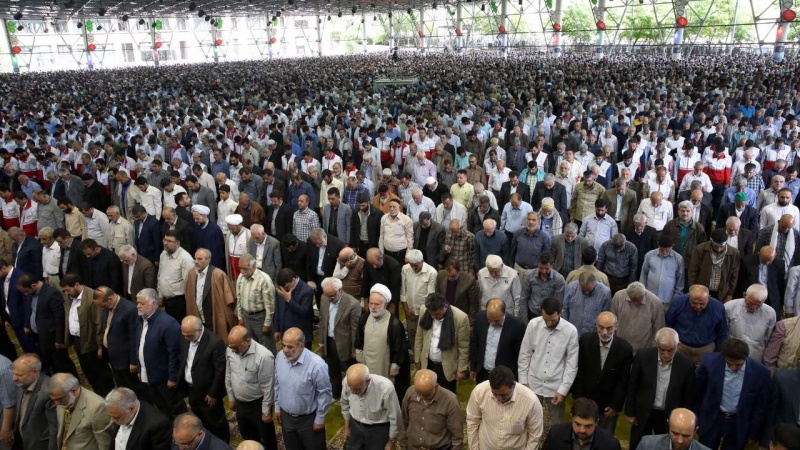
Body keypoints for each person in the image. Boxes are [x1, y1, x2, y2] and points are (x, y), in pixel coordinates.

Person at [624, 328, 696, 450]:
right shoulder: (643, 356)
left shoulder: (686, 365)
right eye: (662, 350)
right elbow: (632, 385)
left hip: (669, 415)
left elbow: (688, 396)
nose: (666, 354)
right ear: (656, 344)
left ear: (678, 345)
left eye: (670, 350)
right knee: (637, 444)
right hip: (643, 411)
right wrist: (630, 412)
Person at [695, 338, 770, 450]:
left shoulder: (761, 373)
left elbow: (760, 408)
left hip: (738, 424)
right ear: (724, 357)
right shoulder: (709, 363)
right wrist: (696, 417)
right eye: (729, 364)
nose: (733, 368)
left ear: (745, 359)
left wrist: (753, 434)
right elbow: (697, 393)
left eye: (738, 365)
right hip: (711, 419)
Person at [518, 296, 579, 425]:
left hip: (555, 385)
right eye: (546, 320)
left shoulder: (570, 331)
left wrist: (563, 390)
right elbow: (525, 354)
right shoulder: (533, 324)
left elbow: (571, 364)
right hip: (533, 381)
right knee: (529, 420)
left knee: (557, 423)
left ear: (560, 314)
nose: (549, 324)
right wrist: (523, 382)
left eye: (553, 320)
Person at [572, 312, 633, 433]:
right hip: (586, 400)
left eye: (609, 328)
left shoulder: (625, 348)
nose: (605, 332)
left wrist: (615, 406)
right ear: (596, 326)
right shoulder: (586, 340)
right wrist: (579, 399)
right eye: (601, 327)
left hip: (608, 405)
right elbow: (579, 371)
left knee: (605, 438)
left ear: (616, 327)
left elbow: (623, 381)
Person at [274, 327, 332, 450]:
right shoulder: (280, 357)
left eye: (290, 347)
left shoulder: (317, 365)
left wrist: (320, 418)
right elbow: (277, 384)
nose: (285, 350)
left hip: (308, 420)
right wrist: (277, 407)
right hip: (286, 418)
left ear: (302, 345)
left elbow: (325, 393)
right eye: (283, 345)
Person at [134, 288, 186, 419]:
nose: (138, 306)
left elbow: (174, 353)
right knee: (161, 408)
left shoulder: (168, 323)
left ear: (154, 304)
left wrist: (172, 377)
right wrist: (141, 369)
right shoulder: (141, 320)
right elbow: (139, 347)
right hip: (150, 376)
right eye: (137, 303)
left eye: (142, 303)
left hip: (165, 379)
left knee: (175, 409)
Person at [60, 274, 114, 397]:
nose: (66, 293)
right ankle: (98, 395)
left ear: (77, 285)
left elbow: (99, 323)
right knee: (88, 372)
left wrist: (100, 346)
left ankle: (108, 396)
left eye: (67, 290)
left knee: (100, 373)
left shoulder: (92, 298)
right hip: (79, 341)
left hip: (92, 343)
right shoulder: (70, 298)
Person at [466, 365, 543, 450]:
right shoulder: (479, 392)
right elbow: (472, 423)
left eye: (503, 395)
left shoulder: (531, 401)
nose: (499, 398)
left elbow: (534, 436)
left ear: (513, 385)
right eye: (494, 394)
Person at [178, 316, 229, 444]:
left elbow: (220, 371)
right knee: (199, 421)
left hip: (208, 394)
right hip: (192, 390)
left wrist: (213, 393)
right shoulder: (186, 338)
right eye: (183, 334)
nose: (185, 338)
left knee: (215, 423)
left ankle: (222, 445)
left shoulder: (215, 343)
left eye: (188, 335)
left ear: (200, 330)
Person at [225, 326, 277, 450]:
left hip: (258, 404)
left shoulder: (264, 356)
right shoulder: (231, 349)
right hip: (240, 402)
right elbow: (229, 374)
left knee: (267, 437)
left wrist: (266, 411)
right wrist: (231, 398)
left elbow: (268, 386)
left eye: (236, 347)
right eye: (231, 347)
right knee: (247, 434)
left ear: (248, 341)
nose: (233, 351)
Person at [354, 283, 410, 398]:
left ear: (385, 305)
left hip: (385, 366)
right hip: (367, 364)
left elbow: (400, 348)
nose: (373, 307)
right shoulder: (364, 319)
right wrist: (360, 360)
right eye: (371, 303)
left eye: (377, 304)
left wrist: (395, 367)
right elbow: (359, 341)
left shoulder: (394, 324)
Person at [17, 274, 77, 376]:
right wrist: (27, 325)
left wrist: (59, 339)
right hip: (41, 336)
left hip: (53, 338)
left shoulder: (51, 293)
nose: (26, 294)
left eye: (26, 291)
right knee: (52, 364)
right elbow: (31, 310)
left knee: (62, 365)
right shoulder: (32, 294)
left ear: (33, 285)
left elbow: (59, 317)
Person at [413, 292, 470, 394]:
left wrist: (461, 369)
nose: (434, 317)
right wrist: (417, 359)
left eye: (438, 314)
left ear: (445, 306)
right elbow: (419, 336)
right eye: (432, 314)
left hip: (447, 367)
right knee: (426, 394)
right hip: (428, 364)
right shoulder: (424, 310)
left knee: (447, 398)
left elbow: (464, 347)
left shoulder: (461, 318)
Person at [397, 369, 464, 450]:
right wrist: (403, 446)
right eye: (418, 393)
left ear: (436, 386)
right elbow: (404, 422)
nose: (421, 397)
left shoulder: (450, 401)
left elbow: (457, 436)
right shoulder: (410, 393)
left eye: (426, 394)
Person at [317, 277, 360, 400]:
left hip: (345, 344)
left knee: (350, 372)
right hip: (329, 341)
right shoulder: (324, 298)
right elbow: (322, 322)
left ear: (340, 290)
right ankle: (336, 394)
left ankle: (353, 396)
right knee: (332, 370)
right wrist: (321, 342)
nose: (329, 298)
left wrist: (354, 350)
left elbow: (355, 330)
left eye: (331, 296)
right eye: (327, 295)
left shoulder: (353, 304)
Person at [341, 364, 402, 450]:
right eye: (350, 388)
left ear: (368, 381)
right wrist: (346, 428)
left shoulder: (386, 388)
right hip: (355, 425)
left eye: (357, 389)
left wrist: (392, 441)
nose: (353, 392)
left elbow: (395, 417)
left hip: (378, 429)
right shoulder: (347, 383)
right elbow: (344, 404)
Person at [184, 248, 237, 344]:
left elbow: (230, 300)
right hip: (198, 317)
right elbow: (188, 296)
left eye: (200, 259)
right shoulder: (192, 273)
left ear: (208, 260)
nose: (196, 262)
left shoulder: (218, 274)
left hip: (214, 317)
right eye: (195, 259)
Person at [666, 285, 729, 366]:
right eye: (694, 303)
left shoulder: (718, 308)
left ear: (708, 297)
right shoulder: (678, 302)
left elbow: (722, 333)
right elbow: (668, 324)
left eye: (702, 303)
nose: (698, 306)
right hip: (681, 346)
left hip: (705, 349)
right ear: (689, 296)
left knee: (701, 376)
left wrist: (718, 354)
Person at [49, 373, 113, 450]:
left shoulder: (97, 407)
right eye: (54, 400)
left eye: (60, 399)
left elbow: (105, 444)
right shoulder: (62, 399)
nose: (56, 404)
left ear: (74, 391)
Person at [93, 286, 139, 391]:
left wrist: (133, 362)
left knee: (134, 388)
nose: (101, 308)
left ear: (110, 299)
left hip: (126, 360)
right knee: (122, 387)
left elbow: (134, 338)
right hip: (114, 357)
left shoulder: (129, 310)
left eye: (102, 305)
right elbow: (106, 329)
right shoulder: (106, 308)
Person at [469, 299, 526, 383]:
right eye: (489, 320)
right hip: (482, 373)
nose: (492, 323)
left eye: (496, 320)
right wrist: (473, 367)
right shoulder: (480, 318)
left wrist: (516, 377)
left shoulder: (517, 326)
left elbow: (520, 355)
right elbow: (475, 344)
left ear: (504, 313)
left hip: (504, 376)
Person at [12, 354, 58, 450]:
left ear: (35, 373)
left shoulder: (49, 391)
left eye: (19, 375)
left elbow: (55, 428)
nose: (14, 378)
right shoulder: (23, 382)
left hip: (40, 445)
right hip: (23, 441)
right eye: (14, 373)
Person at [103, 387, 172, 450]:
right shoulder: (123, 412)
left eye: (116, 417)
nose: (112, 420)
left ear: (131, 408)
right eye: (111, 416)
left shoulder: (157, 425)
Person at [541, 398, 621, 450]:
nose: (582, 430)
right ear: (572, 417)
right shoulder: (556, 434)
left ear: (596, 422)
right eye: (578, 424)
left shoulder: (610, 445)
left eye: (588, 426)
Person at [236, 253, 276, 354]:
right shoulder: (241, 277)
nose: (242, 272)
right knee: (251, 345)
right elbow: (239, 297)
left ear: (254, 266)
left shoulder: (264, 280)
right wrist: (240, 317)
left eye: (245, 269)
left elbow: (270, 305)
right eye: (240, 268)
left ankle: (271, 368)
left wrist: (267, 324)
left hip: (260, 317)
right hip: (246, 316)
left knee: (266, 346)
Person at [610, 281, 665, 353]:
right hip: (620, 347)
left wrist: (652, 350)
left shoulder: (655, 303)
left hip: (643, 349)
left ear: (643, 295)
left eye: (637, 300)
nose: (634, 303)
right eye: (632, 300)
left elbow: (659, 328)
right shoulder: (618, 296)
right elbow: (611, 321)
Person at [725, 284, 776, 362]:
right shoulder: (729, 307)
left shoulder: (770, 313)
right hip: (732, 353)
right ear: (744, 295)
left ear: (764, 300)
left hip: (755, 356)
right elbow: (723, 332)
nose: (753, 307)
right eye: (750, 303)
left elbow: (769, 339)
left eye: (758, 305)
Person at [688, 228, 741, 303]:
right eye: (716, 246)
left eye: (722, 246)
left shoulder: (734, 253)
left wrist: (730, 294)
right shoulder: (700, 249)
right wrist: (693, 289)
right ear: (711, 241)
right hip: (702, 289)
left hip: (722, 293)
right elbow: (693, 272)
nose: (719, 249)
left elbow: (734, 275)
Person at [400, 249, 438, 347]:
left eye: (415, 265)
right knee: (412, 335)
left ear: (422, 261)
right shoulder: (405, 268)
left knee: (424, 337)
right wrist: (406, 309)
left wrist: (424, 313)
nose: (413, 267)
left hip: (424, 312)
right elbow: (403, 291)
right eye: (411, 264)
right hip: (409, 311)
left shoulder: (431, 272)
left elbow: (431, 296)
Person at [158, 230, 195, 322]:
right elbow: (160, 275)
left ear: (177, 243)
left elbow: (189, 283)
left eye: (169, 241)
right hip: (166, 300)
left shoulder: (185, 259)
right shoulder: (163, 254)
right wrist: (160, 293)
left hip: (179, 301)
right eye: (164, 240)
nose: (165, 243)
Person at [272, 268, 314, 349]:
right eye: (282, 287)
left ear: (293, 280)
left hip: (300, 335)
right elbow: (278, 308)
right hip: (285, 334)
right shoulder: (282, 288)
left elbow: (304, 312)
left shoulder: (307, 291)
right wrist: (277, 329)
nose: (284, 289)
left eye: (287, 287)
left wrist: (289, 300)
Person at [640, 234, 685, 309]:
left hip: (668, 299)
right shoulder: (649, 255)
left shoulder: (678, 259)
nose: (664, 252)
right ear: (658, 245)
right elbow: (643, 275)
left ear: (672, 246)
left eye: (667, 250)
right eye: (662, 250)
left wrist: (676, 298)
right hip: (650, 297)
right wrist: (642, 292)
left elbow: (680, 279)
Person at [738, 246, 785, 314]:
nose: (767, 263)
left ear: (775, 256)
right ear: (759, 254)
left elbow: (780, 284)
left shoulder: (779, 263)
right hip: (753, 296)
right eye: (764, 261)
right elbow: (741, 281)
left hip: (771, 297)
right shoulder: (746, 261)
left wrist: (781, 301)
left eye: (769, 261)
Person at [635, 408, 711, 450]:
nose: (680, 441)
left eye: (686, 436)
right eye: (675, 433)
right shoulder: (647, 445)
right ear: (669, 424)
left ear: (695, 430)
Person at [477, 255, 523, 319]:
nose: (493, 274)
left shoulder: (513, 275)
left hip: (506, 314)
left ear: (501, 266)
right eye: (490, 271)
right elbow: (480, 293)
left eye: (496, 271)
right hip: (486, 312)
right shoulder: (481, 273)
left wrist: (515, 316)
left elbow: (517, 298)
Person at [361, 248, 402, 313]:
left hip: (388, 299)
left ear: (381, 258)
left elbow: (395, 288)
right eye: (372, 264)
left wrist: (393, 306)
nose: (374, 267)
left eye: (376, 264)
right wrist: (365, 301)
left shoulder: (394, 265)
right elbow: (365, 281)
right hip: (373, 297)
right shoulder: (368, 262)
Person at [191, 205, 226, 271]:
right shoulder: (196, 228)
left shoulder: (215, 230)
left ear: (204, 216)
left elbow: (219, 253)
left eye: (197, 218)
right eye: (194, 219)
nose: (195, 221)